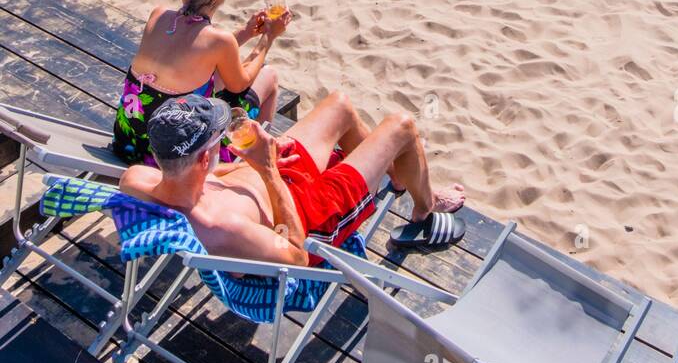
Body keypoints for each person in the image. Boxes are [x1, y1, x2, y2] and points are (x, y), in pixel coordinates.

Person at [119, 89, 467, 262]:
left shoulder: (137, 180)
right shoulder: (223, 229)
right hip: (311, 212)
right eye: (217, 138)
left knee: (340, 104)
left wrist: (248, 165)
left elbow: (201, 178)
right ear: (202, 158)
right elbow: (297, 254)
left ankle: (399, 170)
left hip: (273, 175)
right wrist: (266, 170)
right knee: (402, 126)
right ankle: (425, 205)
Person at [113, 0, 289, 165]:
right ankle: (254, 161)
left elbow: (195, 50)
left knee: (217, 74)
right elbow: (239, 85)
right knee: (269, 75)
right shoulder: (220, 41)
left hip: (129, 143)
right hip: (176, 158)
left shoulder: (158, 15)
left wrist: (246, 32)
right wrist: (267, 39)